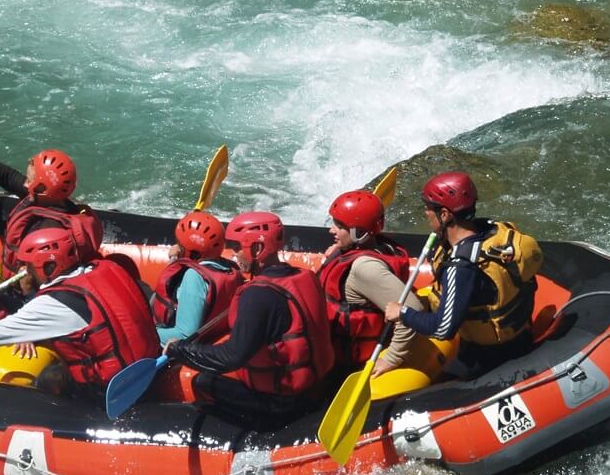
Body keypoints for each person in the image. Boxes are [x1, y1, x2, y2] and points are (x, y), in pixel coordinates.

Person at [0, 228, 159, 396]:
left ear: (48, 265)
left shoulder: (54, 303)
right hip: (146, 366)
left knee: (45, 383)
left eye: (28, 266)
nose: (25, 272)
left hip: (110, 388)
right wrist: (29, 332)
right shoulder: (105, 269)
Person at [165, 212, 334, 427]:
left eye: (237, 248)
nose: (233, 255)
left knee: (201, 381)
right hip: (316, 388)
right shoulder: (305, 276)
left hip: (280, 406)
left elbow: (230, 357)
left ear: (257, 249)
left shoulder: (256, 295)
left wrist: (180, 350)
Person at [384, 171, 543, 380]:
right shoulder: (491, 230)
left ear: (445, 215)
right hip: (520, 335)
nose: (425, 212)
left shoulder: (461, 268)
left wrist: (402, 312)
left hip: (491, 357)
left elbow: (443, 328)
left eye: (429, 208)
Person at [0, 145, 103, 275]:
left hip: (23, 294)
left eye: (30, 178)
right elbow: (7, 176)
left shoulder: (47, 231)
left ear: (40, 187)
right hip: (21, 279)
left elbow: (35, 280)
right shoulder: (50, 198)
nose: (24, 182)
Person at [318, 190, 425, 376]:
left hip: (351, 363)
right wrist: (340, 246)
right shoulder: (372, 245)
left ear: (359, 233)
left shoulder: (365, 268)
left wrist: (392, 358)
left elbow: (413, 309)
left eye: (339, 225)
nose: (331, 230)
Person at [151, 211, 243, 343]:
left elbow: (184, 334)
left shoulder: (194, 277)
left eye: (180, 244)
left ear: (192, 251)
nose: (177, 246)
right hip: (215, 336)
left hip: (181, 346)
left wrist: (146, 333)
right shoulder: (231, 268)